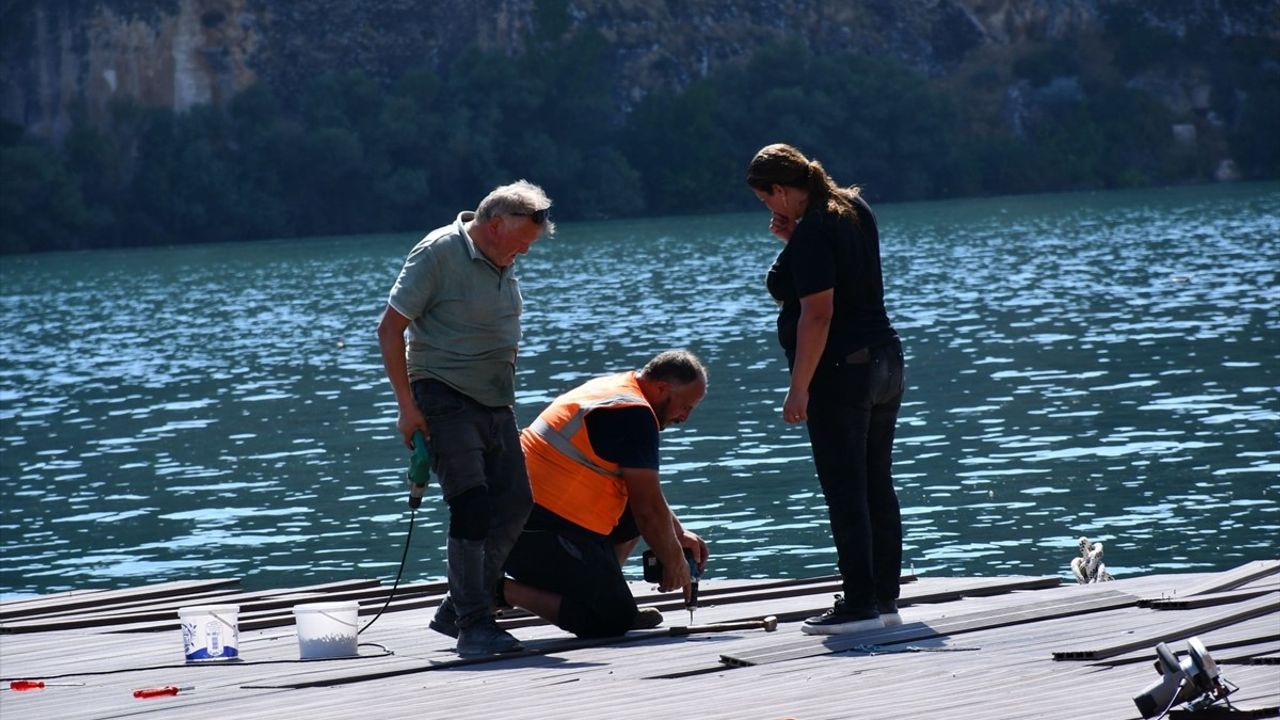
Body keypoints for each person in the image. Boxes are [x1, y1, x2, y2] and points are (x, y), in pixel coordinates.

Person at [376, 180, 554, 657]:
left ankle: (458, 606)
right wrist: (405, 406)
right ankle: (474, 624)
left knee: (516, 501)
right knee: (471, 503)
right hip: (442, 394)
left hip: (495, 399)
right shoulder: (438, 252)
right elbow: (390, 329)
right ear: (494, 226)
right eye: (520, 243)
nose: (523, 253)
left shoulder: (502, 257)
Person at [746, 144, 906, 635]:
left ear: (780, 190)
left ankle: (858, 604)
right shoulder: (853, 208)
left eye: (766, 199)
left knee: (844, 487)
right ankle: (883, 597)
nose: (768, 210)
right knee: (876, 480)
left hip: (843, 370)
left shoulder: (815, 228)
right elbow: (838, 273)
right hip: (885, 361)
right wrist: (792, 240)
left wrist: (799, 388)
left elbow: (819, 313)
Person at [500, 350, 710, 637]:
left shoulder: (620, 389)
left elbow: (645, 495)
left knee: (637, 516)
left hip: (528, 518)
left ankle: (603, 592)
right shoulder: (633, 414)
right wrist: (674, 562)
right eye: (685, 407)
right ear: (662, 388)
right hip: (528, 533)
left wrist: (678, 533)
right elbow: (647, 510)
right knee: (613, 620)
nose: (684, 417)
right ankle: (500, 591)